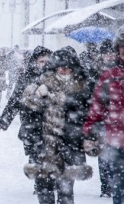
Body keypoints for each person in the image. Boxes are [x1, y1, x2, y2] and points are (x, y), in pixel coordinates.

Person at [22, 49, 93, 204]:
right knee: (44, 191)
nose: (63, 70)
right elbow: (29, 114)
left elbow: (87, 116)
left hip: (69, 145)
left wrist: (88, 138)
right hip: (44, 146)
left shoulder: (82, 88)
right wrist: (38, 98)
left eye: (67, 67)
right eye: (60, 66)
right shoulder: (41, 85)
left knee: (66, 193)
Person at [0, 46, 52, 193]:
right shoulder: (26, 77)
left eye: (47, 61)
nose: (44, 64)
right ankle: (40, 183)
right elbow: (14, 101)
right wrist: (4, 121)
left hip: (50, 123)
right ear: (35, 62)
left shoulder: (54, 77)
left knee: (49, 154)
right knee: (36, 154)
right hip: (31, 123)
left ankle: (47, 182)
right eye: (41, 61)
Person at [82, 26, 124, 204]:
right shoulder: (109, 76)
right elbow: (97, 108)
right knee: (119, 185)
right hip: (115, 139)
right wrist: (89, 132)